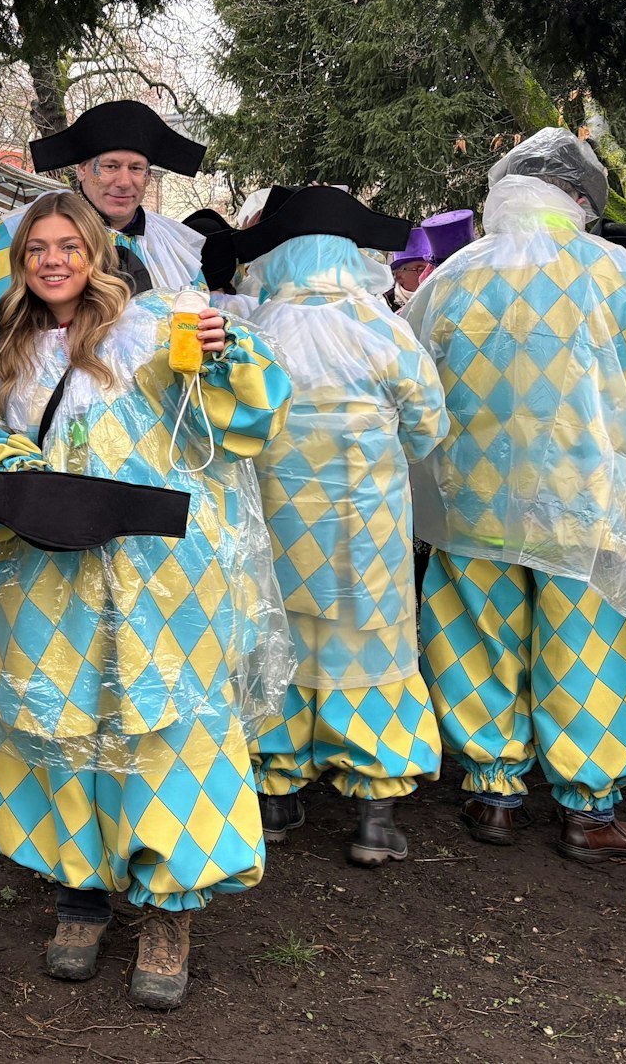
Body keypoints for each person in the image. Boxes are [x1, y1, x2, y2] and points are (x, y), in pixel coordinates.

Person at [0, 190, 291, 1009]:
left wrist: (224, 352)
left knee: (167, 729)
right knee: (61, 722)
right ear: (20, 262)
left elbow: (249, 415)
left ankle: (170, 909)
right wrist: (8, 464)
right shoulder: (9, 347)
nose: (53, 261)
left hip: (161, 576)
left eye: (69, 245)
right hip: (48, 574)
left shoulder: (156, 324)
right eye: (37, 249)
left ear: (98, 253)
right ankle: (80, 892)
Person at [406, 128, 626, 862]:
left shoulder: (452, 278)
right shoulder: (625, 278)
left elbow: (411, 387)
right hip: (587, 508)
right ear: (580, 198)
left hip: (474, 503)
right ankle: (589, 809)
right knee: (591, 648)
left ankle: (492, 792)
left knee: (476, 637)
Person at [229, 187, 448, 866]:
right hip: (366, 530)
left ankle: (275, 793)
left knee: (279, 638)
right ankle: (375, 816)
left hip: (275, 525)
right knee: (372, 647)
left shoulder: (254, 329)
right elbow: (428, 427)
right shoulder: (383, 330)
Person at [0, 100, 208, 299]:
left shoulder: (174, 246)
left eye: (136, 168)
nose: (125, 182)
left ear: (147, 176)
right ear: (82, 169)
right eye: (111, 166)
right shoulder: (21, 232)